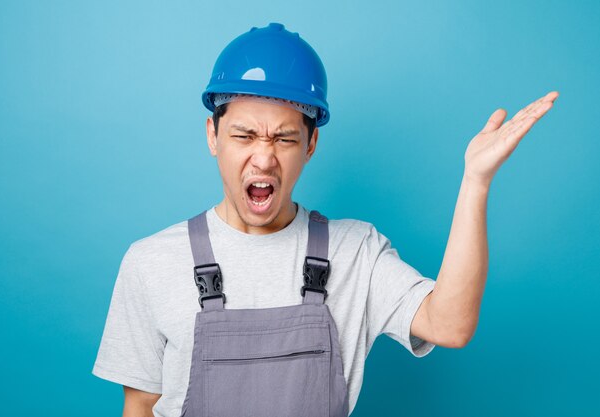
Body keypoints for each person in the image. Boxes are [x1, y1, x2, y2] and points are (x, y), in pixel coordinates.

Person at [92, 23, 558, 417]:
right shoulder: (151, 262)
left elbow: (451, 324)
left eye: (284, 139)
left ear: (311, 146)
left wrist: (475, 182)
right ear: (213, 135)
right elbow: (140, 406)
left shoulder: (355, 252)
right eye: (245, 134)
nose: (264, 157)